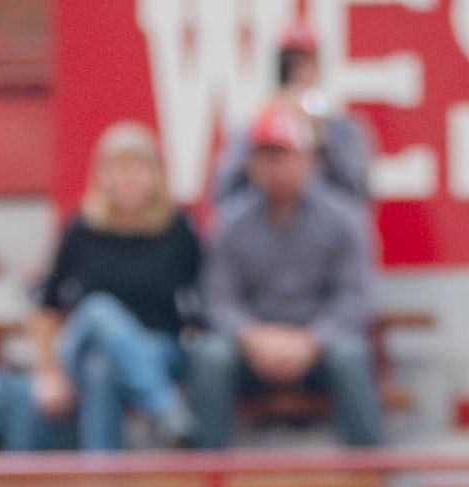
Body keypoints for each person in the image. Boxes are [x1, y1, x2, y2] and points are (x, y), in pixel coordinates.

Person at [185, 108, 380, 450]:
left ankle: (366, 486)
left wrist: (312, 340)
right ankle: (207, 484)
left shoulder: (343, 218)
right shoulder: (229, 224)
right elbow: (218, 300)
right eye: (265, 157)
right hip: (251, 348)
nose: (275, 168)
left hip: (318, 346)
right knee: (210, 356)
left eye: (283, 155)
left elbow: (354, 298)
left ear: (308, 159)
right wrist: (253, 336)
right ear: (249, 165)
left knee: (350, 355)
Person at [26, 125, 199, 455]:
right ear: (102, 176)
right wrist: (47, 374)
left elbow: (202, 298)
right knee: (98, 310)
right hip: (83, 345)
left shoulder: (178, 230)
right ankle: (165, 408)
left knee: (102, 368)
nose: (128, 179)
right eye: (119, 170)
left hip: (157, 348)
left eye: (137, 168)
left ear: (156, 175)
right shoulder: (81, 229)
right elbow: (45, 307)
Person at [212, 24, 373, 205]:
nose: (297, 75)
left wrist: (320, 137)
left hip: (323, 229)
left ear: (317, 70)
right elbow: (224, 199)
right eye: (289, 66)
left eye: (304, 64)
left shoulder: (345, 132)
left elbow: (358, 199)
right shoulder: (250, 129)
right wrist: (263, 140)